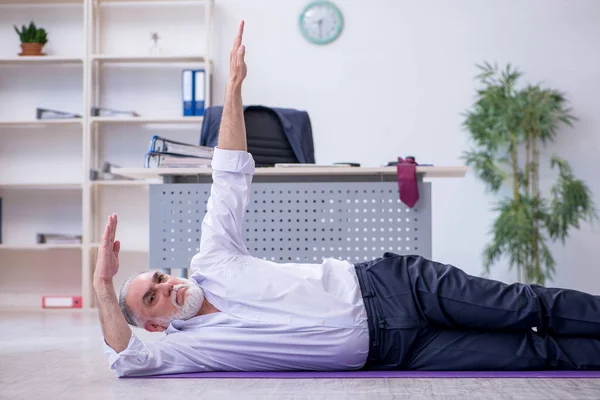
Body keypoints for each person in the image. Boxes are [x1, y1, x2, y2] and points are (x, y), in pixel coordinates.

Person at [94, 21, 600, 378]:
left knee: (525, 305)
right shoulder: (187, 352)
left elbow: (228, 175)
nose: (167, 288)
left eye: (159, 278)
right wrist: (102, 284)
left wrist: (234, 87)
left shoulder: (212, 261)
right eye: (153, 297)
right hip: (398, 350)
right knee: (534, 353)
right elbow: (126, 359)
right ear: (156, 324)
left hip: (393, 287)